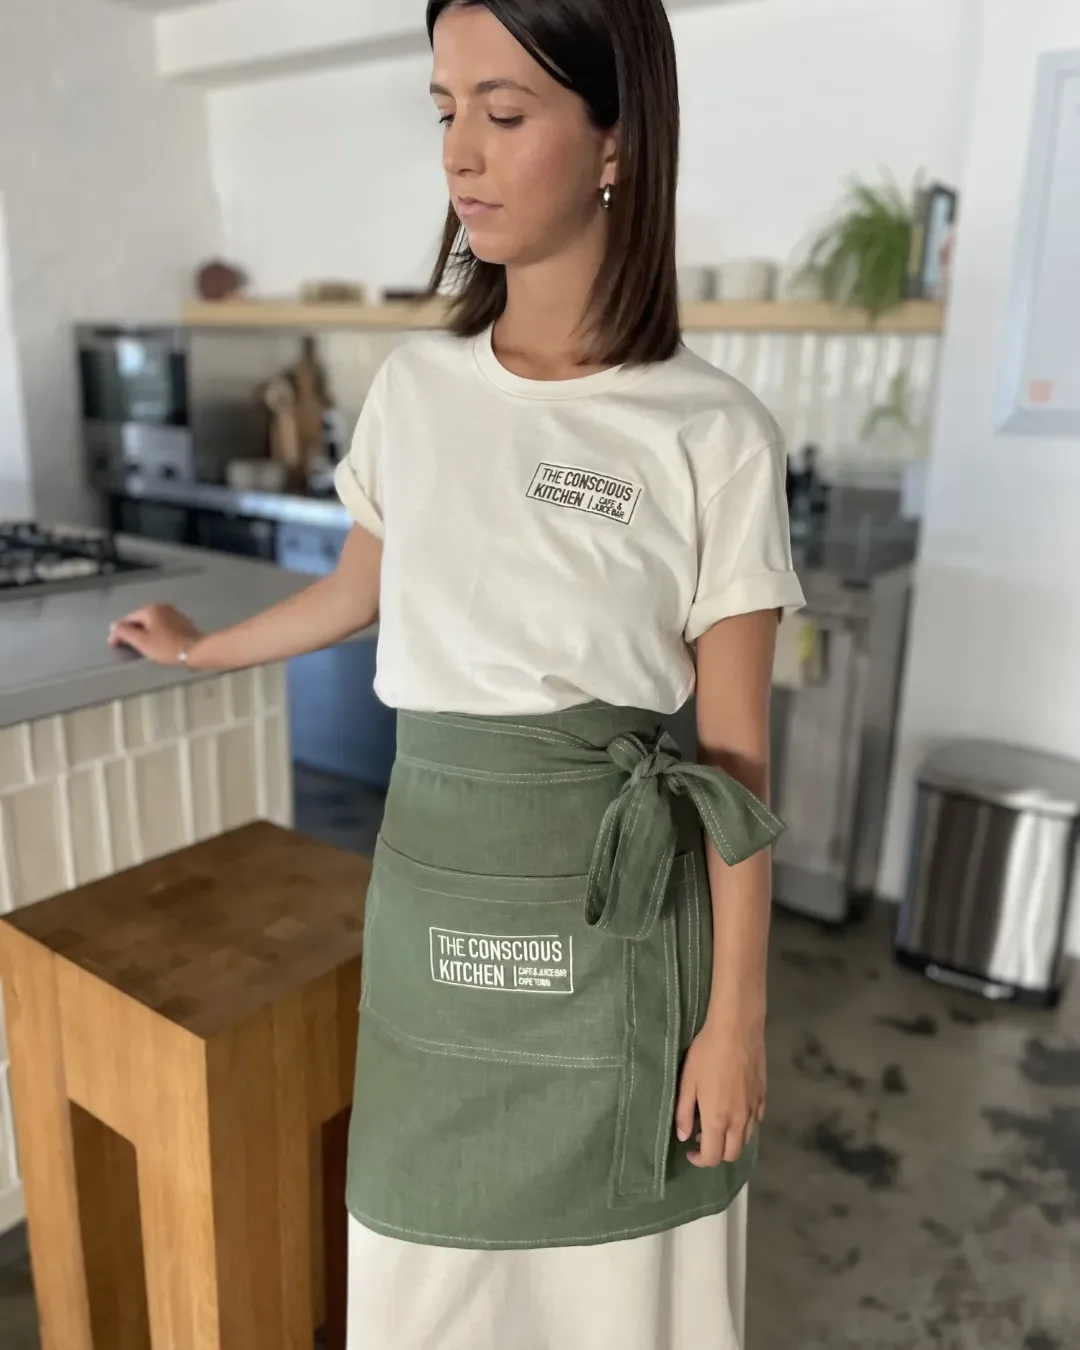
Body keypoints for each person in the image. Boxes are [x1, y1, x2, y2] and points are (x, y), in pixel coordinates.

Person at [108, 1, 806, 1346]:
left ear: (615, 140)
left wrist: (736, 1019)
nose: (460, 158)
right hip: (435, 932)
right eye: (445, 111)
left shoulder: (714, 431)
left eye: (505, 112)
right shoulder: (419, 391)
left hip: (621, 947)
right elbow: (354, 592)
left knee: (623, 1304)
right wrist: (202, 648)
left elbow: (735, 762)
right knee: (423, 1282)